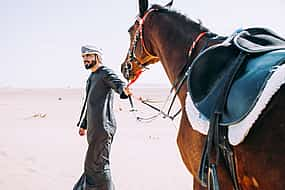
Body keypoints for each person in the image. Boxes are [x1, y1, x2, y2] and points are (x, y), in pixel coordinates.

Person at [73, 45, 132, 190]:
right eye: (83, 57)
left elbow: (118, 84)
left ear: (97, 57)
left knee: (98, 165)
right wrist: (84, 124)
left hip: (103, 127)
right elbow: (89, 103)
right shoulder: (92, 77)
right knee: (93, 164)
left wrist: (123, 90)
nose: (85, 59)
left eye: (88, 56)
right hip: (94, 129)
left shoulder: (105, 72)